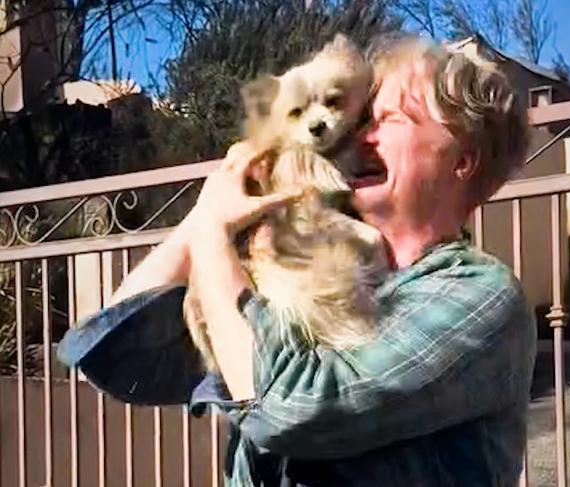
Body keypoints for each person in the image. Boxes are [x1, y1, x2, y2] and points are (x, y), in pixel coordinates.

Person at [61, 35, 536, 486]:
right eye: (364, 117)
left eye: (390, 120)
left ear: (463, 160)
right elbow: (118, 351)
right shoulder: (293, 259)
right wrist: (211, 210)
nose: (361, 135)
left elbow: (292, 407)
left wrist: (213, 240)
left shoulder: (480, 297)